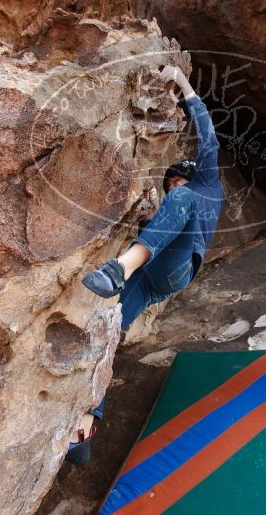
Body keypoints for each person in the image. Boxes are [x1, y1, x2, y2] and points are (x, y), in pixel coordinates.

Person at [82, 65, 222, 331]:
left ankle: (118, 269)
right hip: (151, 279)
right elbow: (163, 232)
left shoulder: (207, 185)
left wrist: (185, 86)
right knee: (107, 328)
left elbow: (209, 141)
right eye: (171, 183)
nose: (174, 186)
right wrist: (152, 211)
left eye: (180, 181)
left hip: (176, 266)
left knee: (183, 200)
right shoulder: (177, 200)